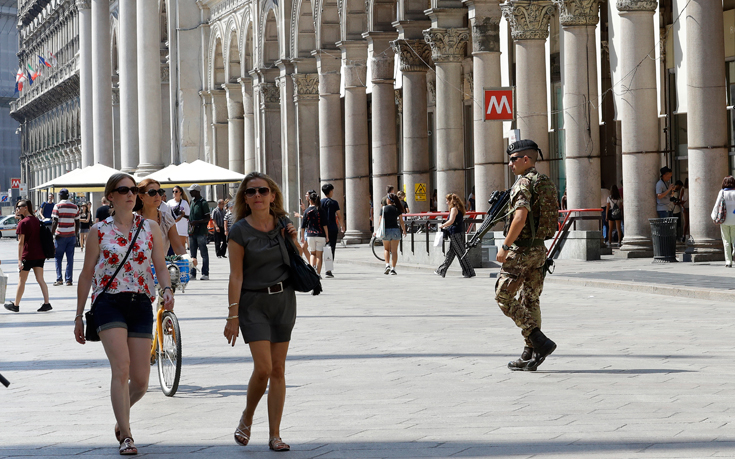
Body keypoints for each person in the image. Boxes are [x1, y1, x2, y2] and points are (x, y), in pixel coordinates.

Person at [74, 173, 174, 456]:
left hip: (141, 302)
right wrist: (78, 315)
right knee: (122, 368)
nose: (131, 194)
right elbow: (85, 275)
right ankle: (126, 436)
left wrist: (166, 288)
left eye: (133, 189)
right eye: (123, 190)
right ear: (111, 197)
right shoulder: (99, 231)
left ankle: (121, 415)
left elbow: (160, 265)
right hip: (109, 302)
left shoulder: (150, 227)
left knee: (141, 381)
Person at [224, 171, 300, 452]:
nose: (258, 195)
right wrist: (232, 316)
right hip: (253, 304)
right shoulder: (239, 230)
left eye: (263, 191)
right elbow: (235, 276)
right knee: (264, 368)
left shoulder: (283, 223)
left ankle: (275, 434)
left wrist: (293, 238)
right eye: (251, 191)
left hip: (283, 301)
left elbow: (298, 259)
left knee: (278, 369)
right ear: (245, 197)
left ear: (273, 195)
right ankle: (247, 415)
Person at [495, 139, 558, 372]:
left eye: (513, 159)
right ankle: (529, 352)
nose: (509, 164)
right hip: (539, 250)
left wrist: (505, 245)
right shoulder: (543, 182)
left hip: (521, 251)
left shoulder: (522, 183)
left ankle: (538, 339)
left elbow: (520, 218)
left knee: (503, 296)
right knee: (530, 300)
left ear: (525, 159)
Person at [4, 199, 52, 313]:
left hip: (28, 255)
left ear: (26, 207)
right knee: (40, 279)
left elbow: (21, 243)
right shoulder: (36, 220)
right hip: (40, 255)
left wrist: (19, 260)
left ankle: (16, 305)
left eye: (19, 207)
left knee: (22, 281)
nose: (17, 209)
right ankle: (47, 303)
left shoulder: (23, 223)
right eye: (17, 207)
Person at [135, 179, 186, 255]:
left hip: (161, 265)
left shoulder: (167, 218)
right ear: (141, 197)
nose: (158, 196)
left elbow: (178, 247)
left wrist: (187, 259)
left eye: (160, 192)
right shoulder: (132, 219)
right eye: (152, 192)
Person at [435, 193, 476, 278]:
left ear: (451, 201)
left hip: (455, 234)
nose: (446, 203)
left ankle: (469, 272)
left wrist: (442, 225)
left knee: (461, 253)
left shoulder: (454, 209)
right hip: (459, 233)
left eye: (447, 201)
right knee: (450, 253)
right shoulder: (459, 208)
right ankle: (441, 270)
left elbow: (451, 221)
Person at [51, 188, 80, 287]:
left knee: (58, 257)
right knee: (70, 258)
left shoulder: (57, 206)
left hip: (60, 236)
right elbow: (77, 222)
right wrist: (75, 234)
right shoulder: (75, 207)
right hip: (71, 235)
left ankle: (59, 279)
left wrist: (52, 234)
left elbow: (55, 221)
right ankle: (69, 280)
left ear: (60, 196)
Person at [375, 194, 406, 275]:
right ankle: (393, 269)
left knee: (386, 249)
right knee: (394, 251)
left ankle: (387, 265)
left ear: (388, 200)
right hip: (395, 230)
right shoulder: (397, 208)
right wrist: (404, 230)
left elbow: (380, 221)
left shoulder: (383, 208)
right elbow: (401, 221)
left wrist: (378, 230)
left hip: (386, 231)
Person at [299, 191, 328, 275]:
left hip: (310, 235)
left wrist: (302, 237)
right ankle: (318, 273)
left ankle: (312, 273)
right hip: (321, 235)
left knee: (312, 253)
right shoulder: (321, 210)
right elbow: (325, 225)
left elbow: (303, 226)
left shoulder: (307, 211)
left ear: (310, 200)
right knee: (319, 255)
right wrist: (327, 236)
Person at [321, 183, 345, 278]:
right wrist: (342, 226)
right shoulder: (334, 203)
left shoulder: (320, 202)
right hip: (332, 228)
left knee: (321, 249)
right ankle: (328, 270)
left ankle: (317, 267)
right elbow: (339, 216)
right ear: (330, 191)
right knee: (331, 248)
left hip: (322, 228)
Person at [187, 184, 211, 280]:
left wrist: (197, 222)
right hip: (192, 232)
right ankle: (193, 273)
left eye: (192, 191)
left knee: (203, 253)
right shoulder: (192, 202)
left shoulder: (203, 202)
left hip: (201, 232)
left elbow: (207, 218)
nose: (190, 192)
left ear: (197, 191)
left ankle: (205, 273)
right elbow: (191, 216)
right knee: (192, 254)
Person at [713, 176, 735, 267]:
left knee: (726, 240)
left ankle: (728, 261)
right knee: (734, 238)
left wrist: (714, 217)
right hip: (734, 219)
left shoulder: (722, 192)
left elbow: (717, 205)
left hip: (724, 220)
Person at [167, 185, 190, 251]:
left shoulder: (184, 203)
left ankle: (183, 260)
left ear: (180, 192)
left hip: (181, 227)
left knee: (182, 245)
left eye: (176, 191)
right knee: (172, 246)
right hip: (172, 226)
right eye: (173, 191)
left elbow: (188, 215)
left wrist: (181, 215)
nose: (174, 193)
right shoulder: (169, 202)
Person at [680, 178, 690, 243]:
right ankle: (683, 236)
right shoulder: (683, 189)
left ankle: (689, 235)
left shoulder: (691, 188)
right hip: (685, 207)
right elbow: (680, 199)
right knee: (686, 223)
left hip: (691, 206)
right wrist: (683, 206)